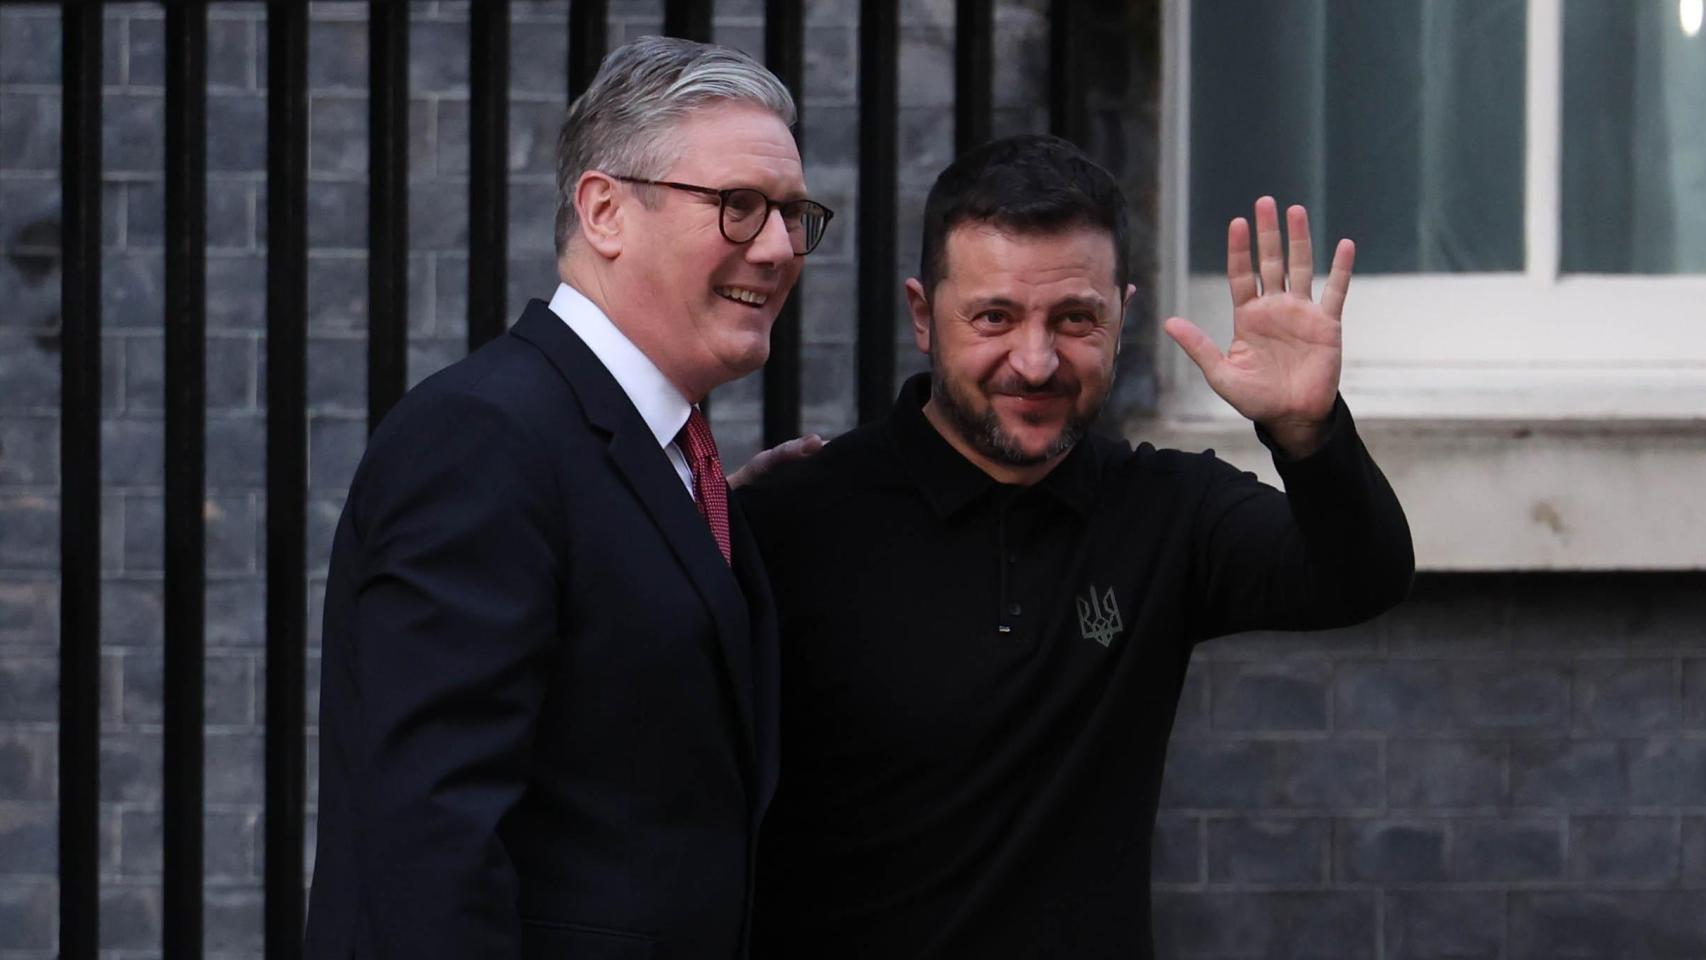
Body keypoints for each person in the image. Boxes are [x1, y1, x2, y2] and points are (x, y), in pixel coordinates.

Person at [738, 135, 1413, 958]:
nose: (1035, 360)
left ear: (1121, 318)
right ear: (923, 316)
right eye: (994, 317)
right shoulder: (795, 520)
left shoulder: (1168, 510)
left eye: (1075, 319)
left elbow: (1360, 578)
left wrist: (1308, 434)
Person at [305, 36, 833, 959]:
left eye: (793, 214)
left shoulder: (666, 460)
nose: (781, 247)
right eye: (739, 208)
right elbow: (430, 851)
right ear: (604, 211)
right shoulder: (481, 440)